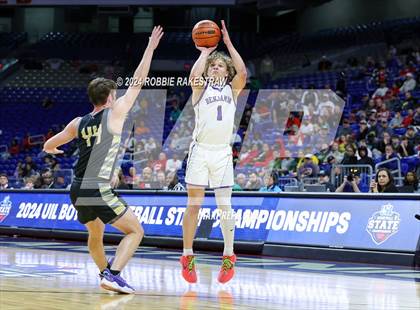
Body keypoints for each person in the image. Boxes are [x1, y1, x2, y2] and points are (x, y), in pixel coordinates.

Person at [43, 26, 163, 294]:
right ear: (110, 98)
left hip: (77, 187)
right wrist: (150, 48)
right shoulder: (115, 113)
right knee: (135, 231)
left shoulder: (77, 122)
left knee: (95, 235)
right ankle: (114, 275)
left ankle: (105, 274)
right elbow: (138, 80)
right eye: (115, 95)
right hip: (96, 187)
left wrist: (53, 151)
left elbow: (49, 144)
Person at [181, 20, 246, 284]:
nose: (216, 67)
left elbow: (242, 71)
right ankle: (187, 256)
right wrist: (205, 53)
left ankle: (229, 255)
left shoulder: (233, 89)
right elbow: (193, 77)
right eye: (213, 66)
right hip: (200, 150)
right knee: (194, 204)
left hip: (221, 153)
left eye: (220, 65)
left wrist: (228, 44)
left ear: (226, 71)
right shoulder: (201, 88)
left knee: (225, 206)